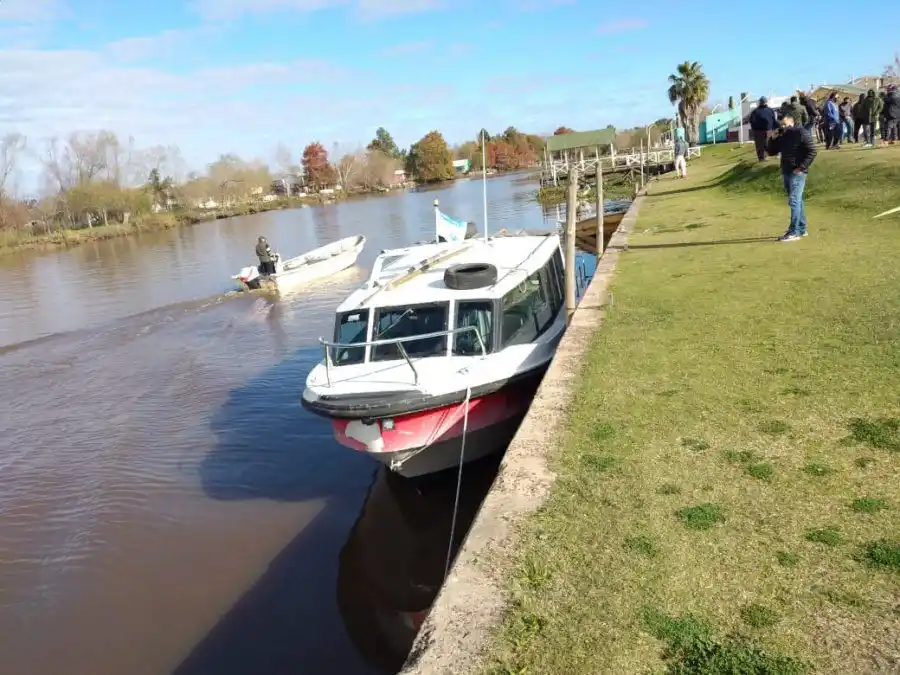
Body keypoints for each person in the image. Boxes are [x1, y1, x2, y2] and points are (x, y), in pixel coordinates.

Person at [766, 110, 817, 242]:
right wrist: (772, 138)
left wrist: (801, 167)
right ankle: (801, 228)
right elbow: (771, 152)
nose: (783, 126)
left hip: (797, 172)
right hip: (787, 171)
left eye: (785, 124)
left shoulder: (801, 132)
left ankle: (794, 232)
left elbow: (812, 151)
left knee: (794, 200)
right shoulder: (783, 136)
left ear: (792, 122)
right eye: (781, 124)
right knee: (797, 200)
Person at [749, 96, 779, 161]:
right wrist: (775, 128)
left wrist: (754, 129)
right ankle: (766, 156)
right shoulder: (770, 110)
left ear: (760, 102)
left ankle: (762, 158)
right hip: (768, 130)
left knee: (760, 145)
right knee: (767, 144)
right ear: (766, 102)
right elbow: (774, 121)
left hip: (758, 131)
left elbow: (751, 121)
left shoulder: (755, 111)